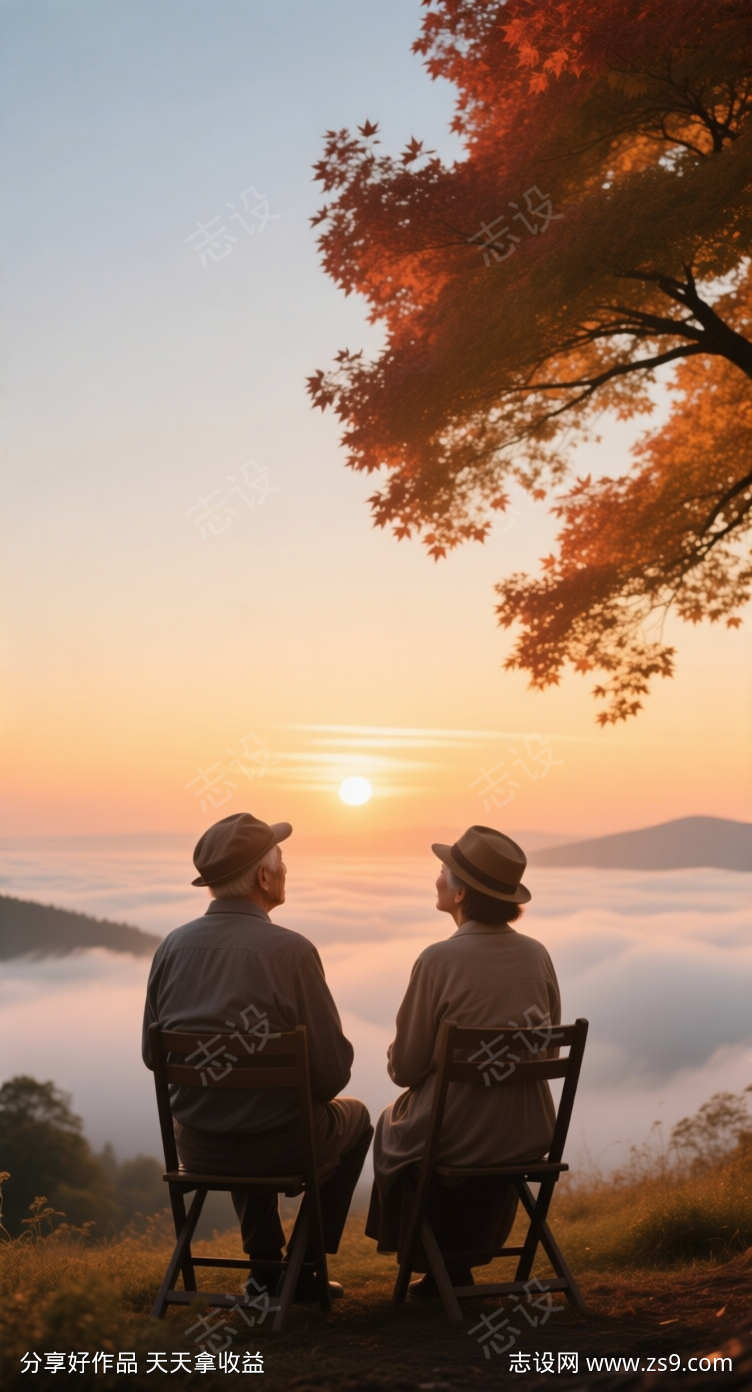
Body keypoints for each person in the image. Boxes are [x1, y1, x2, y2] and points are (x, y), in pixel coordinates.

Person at [142, 811, 372, 1299]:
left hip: (198, 1145)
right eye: (282, 862)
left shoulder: (171, 948)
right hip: (280, 1144)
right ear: (264, 877)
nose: (287, 870)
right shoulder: (291, 952)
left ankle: (266, 1271)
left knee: (243, 1107)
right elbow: (330, 1076)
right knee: (355, 1119)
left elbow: (151, 1055)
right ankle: (304, 1267)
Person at [365, 824, 560, 1297]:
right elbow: (549, 1051)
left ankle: (436, 1262)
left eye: (443, 872)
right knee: (456, 1133)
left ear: (461, 893)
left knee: (394, 1128)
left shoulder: (438, 960)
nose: (437, 879)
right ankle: (457, 1262)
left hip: (455, 1134)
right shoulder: (537, 955)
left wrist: (402, 1058)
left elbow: (405, 1069)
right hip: (526, 1131)